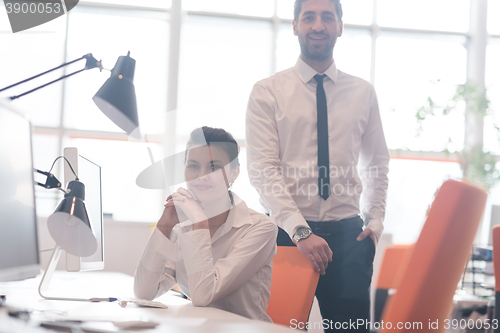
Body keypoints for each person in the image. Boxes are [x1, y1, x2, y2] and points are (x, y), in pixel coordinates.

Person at [246, 0, 390, 331]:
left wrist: (376, 220)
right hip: (287, 237)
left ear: (340, 25)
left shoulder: (363, 93)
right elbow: (263, 168)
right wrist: (300, 231)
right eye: (308, 17)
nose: (318, 25)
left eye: (327, 17)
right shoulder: (267, 92)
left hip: (349, 240)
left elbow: (377, 161)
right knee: (277, 329)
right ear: (295, 25)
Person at [134, 126, 277, 322]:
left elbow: (203, 295)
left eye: (214, 167)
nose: (201, 175)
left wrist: (199, 223)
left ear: (234, 173)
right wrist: (165, 225)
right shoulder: (180, 225)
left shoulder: (260, 228)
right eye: (193, 166)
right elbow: (143, 292)